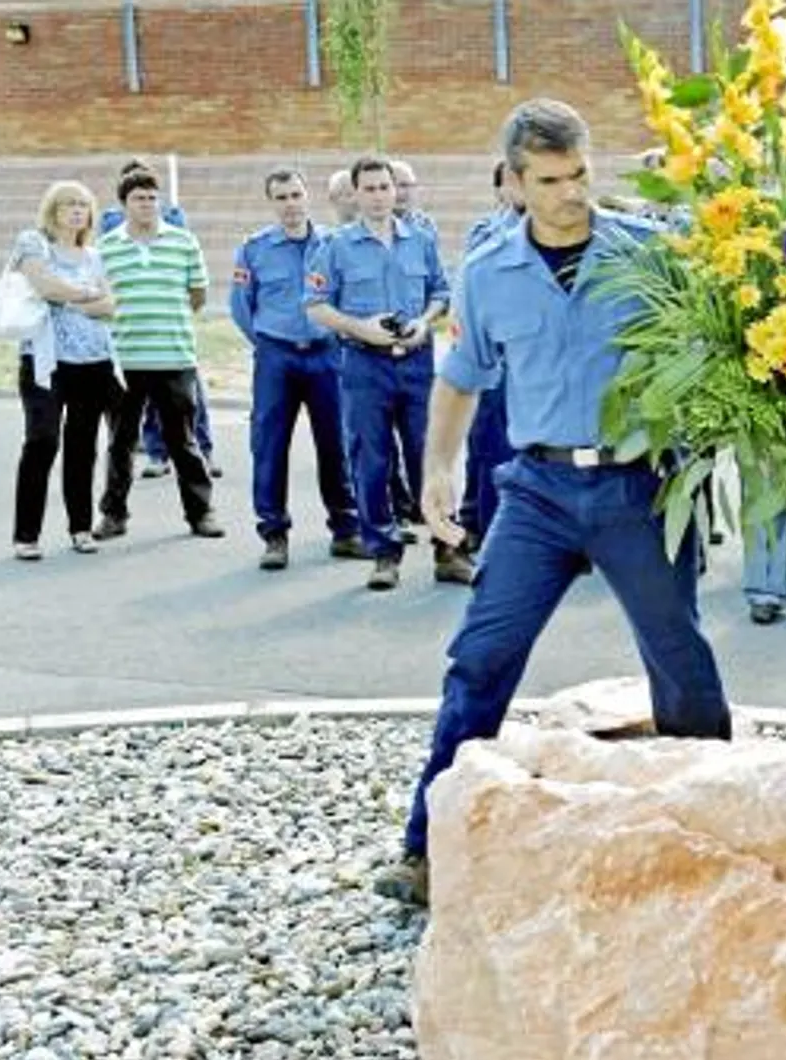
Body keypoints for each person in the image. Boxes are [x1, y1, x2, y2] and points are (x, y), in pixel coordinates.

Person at [372, 99, 733, 906]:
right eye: (550, 180)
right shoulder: (487, 273)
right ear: (514, 183)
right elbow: (460, 380)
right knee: (481, 657)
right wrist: (439, 466)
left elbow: (710, 355)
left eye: (580, 174)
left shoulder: (649, 257)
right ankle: (428, 847)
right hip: (536, 492)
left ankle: (715, 828)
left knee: (680, 662)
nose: (571, 193)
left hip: (637, 485)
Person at [305, 156, 471, 590]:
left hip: (416, 361)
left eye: (385, 187)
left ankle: (447, 547)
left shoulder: (421, 239)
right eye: (370, 188)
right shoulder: (335, 246)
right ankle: (383, 552)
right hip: (364, 363)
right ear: (355, 194)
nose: (379, 196)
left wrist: (424, 320)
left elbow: (441, 292)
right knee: (371, 458)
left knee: (430, 456)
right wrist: (361, 328)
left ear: (395, 191)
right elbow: (316, 306)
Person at [230, 167, 362, 569]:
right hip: (277, 356)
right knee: (269, 444)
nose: (290, 204)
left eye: (295, 195)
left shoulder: (333, 244)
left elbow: (347, 295)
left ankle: (345, 528)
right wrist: (267, 342)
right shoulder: (254, 249)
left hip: (325, 354)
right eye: (281, 197)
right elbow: (240, 306)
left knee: (335, 443)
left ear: (308, 197)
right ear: (272, 203)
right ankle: (274, 533)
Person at [93, 167, 224, 542]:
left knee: (182, 439)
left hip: (174, 357)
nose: (148, 204)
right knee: (121, 441)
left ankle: (201, 513)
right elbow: (99, 297)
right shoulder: (106, 248)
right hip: (124, 361)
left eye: (153, 197)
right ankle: (113, 515)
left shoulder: (184, 242)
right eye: (139, 198)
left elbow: (197, 296)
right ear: (124, 205)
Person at [9, 181, 121, 560]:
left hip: (92, 361)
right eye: (68, 204)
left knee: (82, 447)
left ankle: (80, 527)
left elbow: (111, 307)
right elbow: (44, 286)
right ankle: (26, 535)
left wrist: (71, 297)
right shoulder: (33, 244)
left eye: (83, 205)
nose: (77, 211)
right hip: (46, 363)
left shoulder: (94, 255)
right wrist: (86, 295)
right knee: (42, 441)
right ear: (53, 210)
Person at [456, 160, 525, 552]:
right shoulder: (488, 233)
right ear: (499, 191)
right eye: (510, 182)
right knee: (492, 447)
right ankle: (491, 531)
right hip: (498, 357)